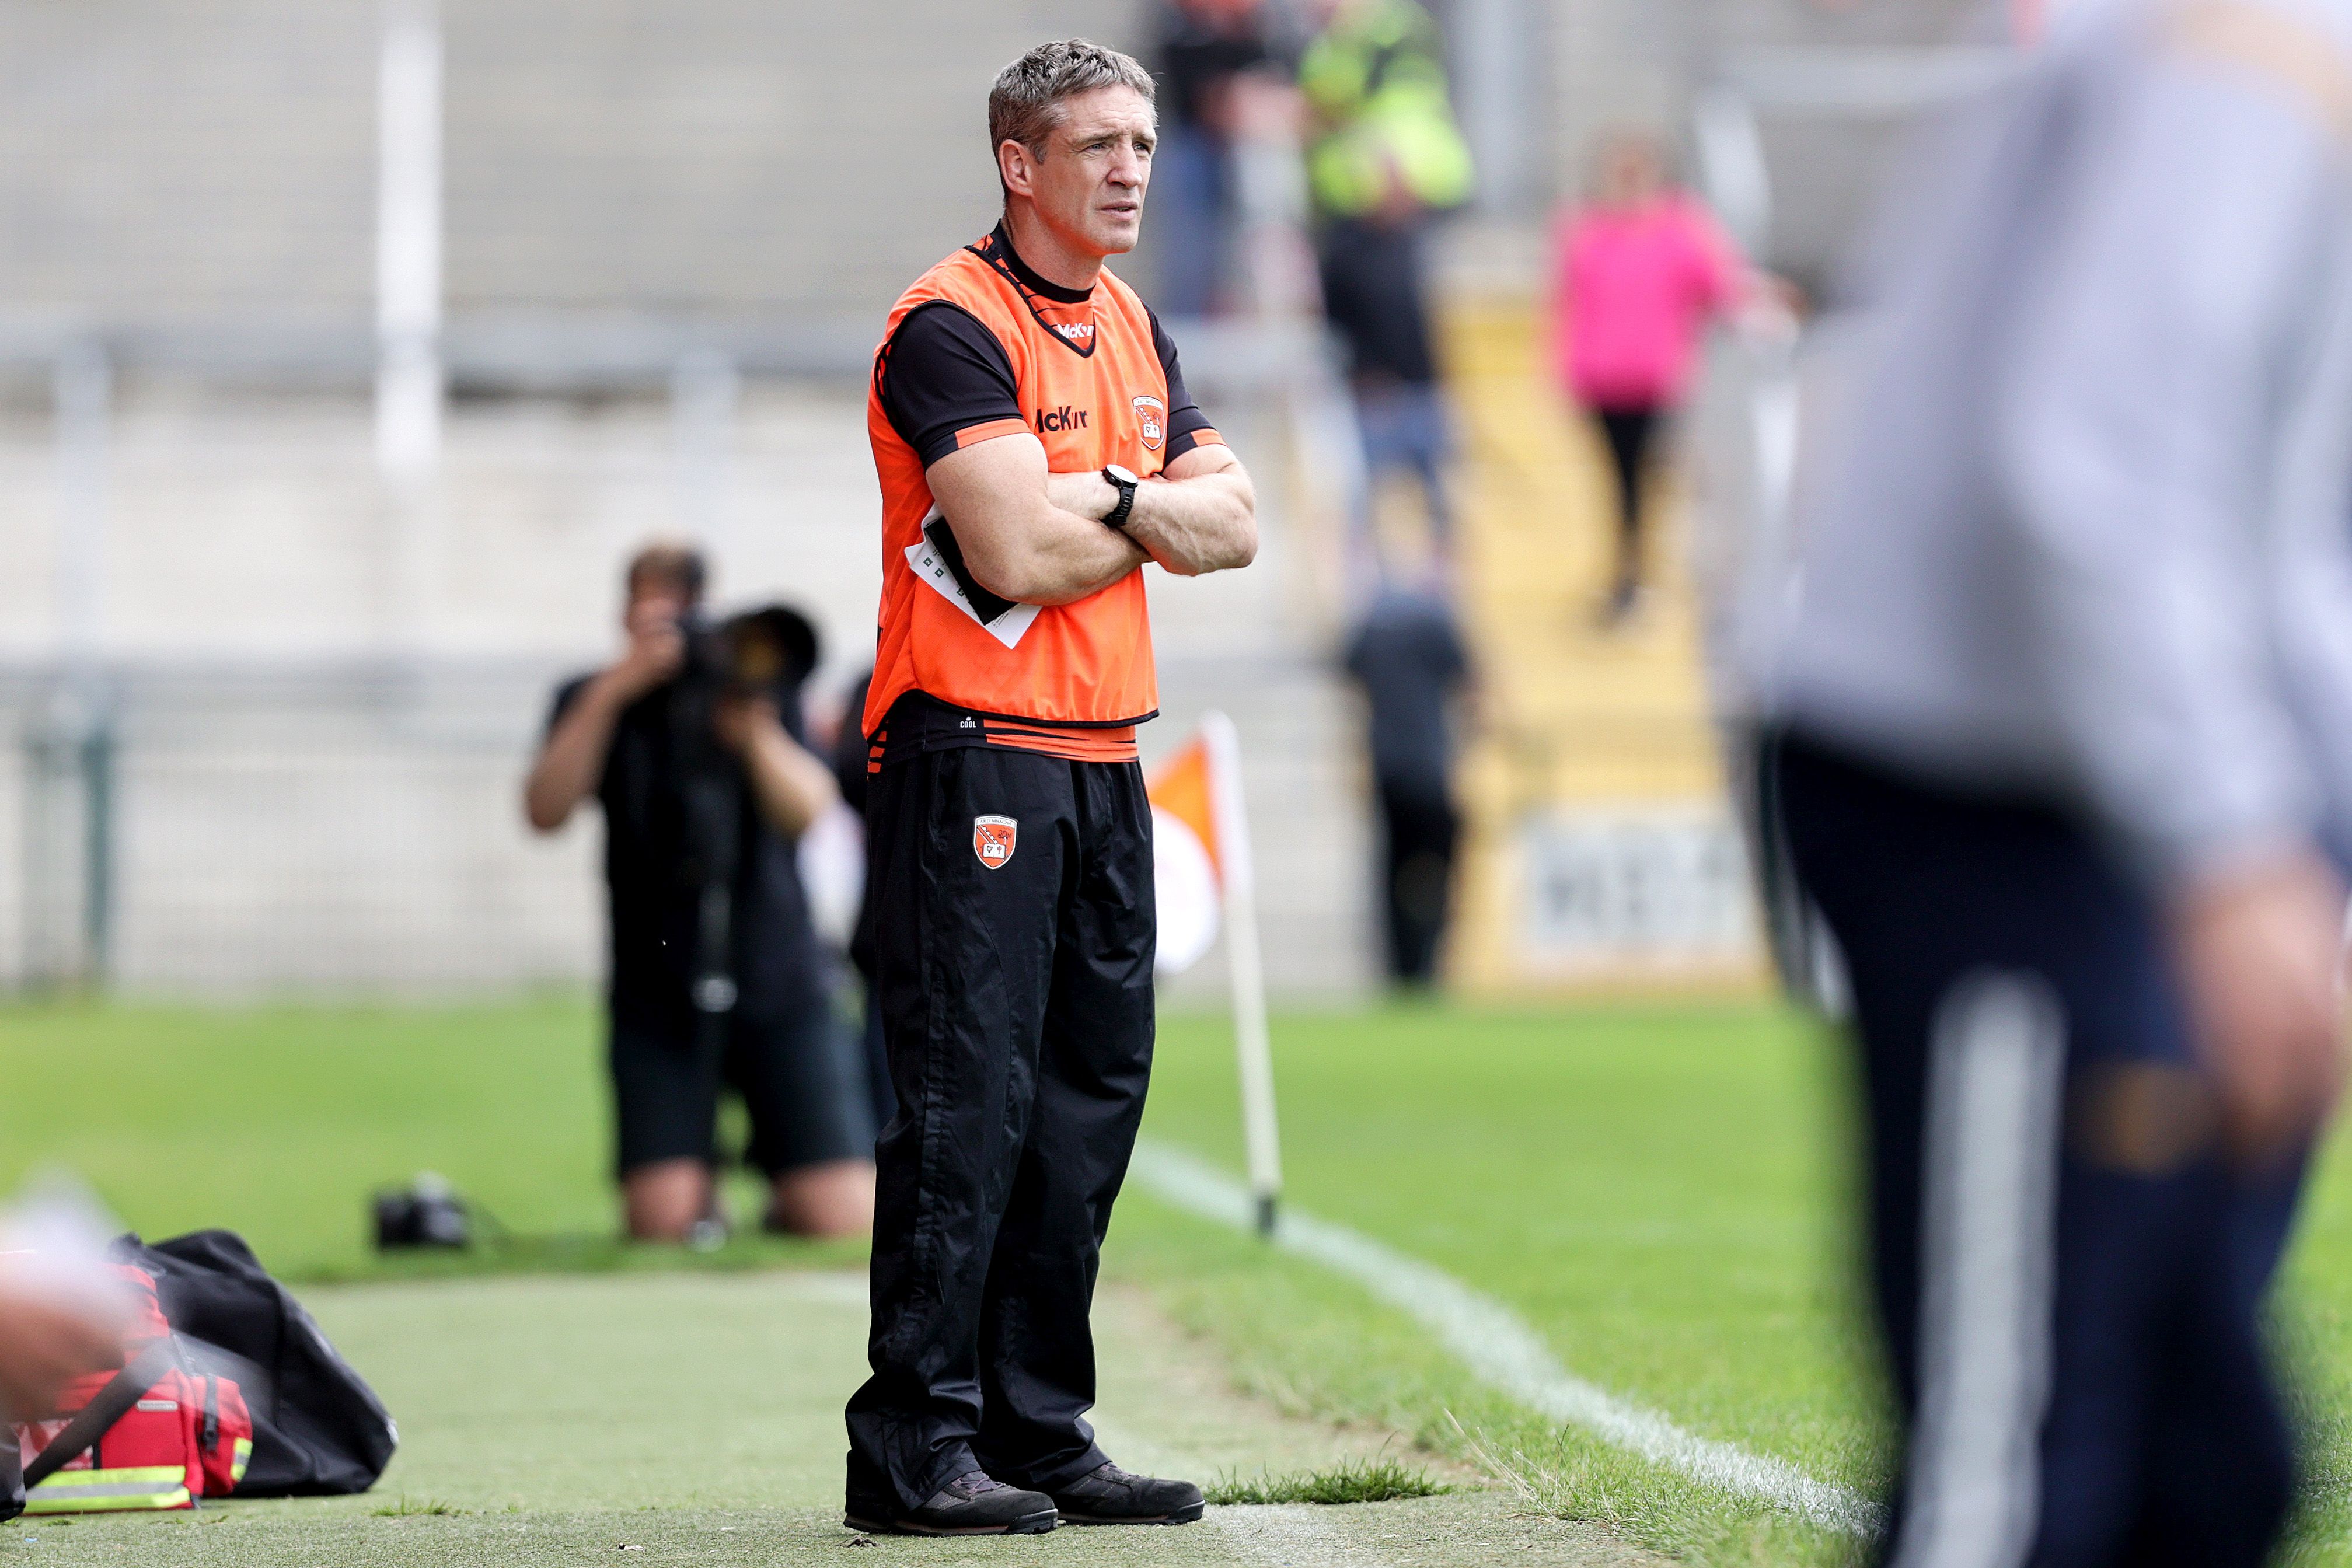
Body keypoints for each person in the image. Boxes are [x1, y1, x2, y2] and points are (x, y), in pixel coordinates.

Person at [1761, 3, 2352, 1562]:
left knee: (2207, 1468)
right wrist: (2231, 844)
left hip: (2153, 794)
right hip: (2008, 799)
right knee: (2012, 1473)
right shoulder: (2257, 44)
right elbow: (2090, 460)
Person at [842, 38, 1258, 1537]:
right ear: (1019, 164)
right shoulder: (944, 326)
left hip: (1101, 755)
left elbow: (1243, 521)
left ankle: (1039, 1423)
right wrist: (1153, 513)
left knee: (1087, 1107)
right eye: (1097, 145)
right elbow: (1008, 556)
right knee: (969, 1107)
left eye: (1141, 143)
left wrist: (1108, 502)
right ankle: (914, 1439)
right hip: (970, 751)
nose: (1132, 169)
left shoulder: (1135, 321)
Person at [524, 543, 875, 1245]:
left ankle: (780, 1192)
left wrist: (752, 730)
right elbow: (544, 808)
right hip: (659, 984)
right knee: (662, 1224)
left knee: (843, 1220)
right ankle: (701, 1191)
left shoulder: (753, 692)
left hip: (780, 977)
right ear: (624, 614)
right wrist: (614, 689)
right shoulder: (593, 697)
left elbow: (809, 811)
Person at [1298, 0, 1472, 581]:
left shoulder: (1382, 31)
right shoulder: (1348, 249)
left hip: (1419, 391)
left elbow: (1339, 99)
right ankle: (1382, 576)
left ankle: (1436, 570)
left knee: (1435, 499)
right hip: (1379, 389)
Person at [1552, 134, 1749, 626]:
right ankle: (1627, 572)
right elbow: (1571, 307)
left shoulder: (1679, 229)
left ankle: (1639, 577)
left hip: (1657, 380)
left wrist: (1758, 306)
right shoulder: (1588, 230)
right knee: (1617, 483)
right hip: (1601, 380)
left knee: (1647, 481)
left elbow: (1721, 287)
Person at [1343, 585, 1472, 986]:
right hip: (1431, 770)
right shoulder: (1438, 620)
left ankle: (1400, 969)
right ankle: (1428, 965)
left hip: (1389, 769)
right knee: (1437, 872)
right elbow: (1471, 692)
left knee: (1393, 874)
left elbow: (1354, 694)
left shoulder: (1372, 624)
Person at [1147, 0, 1289, 317]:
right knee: (1190, 243)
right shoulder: (1182, 31)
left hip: (1244, 145)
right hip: (1191, 143)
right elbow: (1193, 94)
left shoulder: (1257, 32)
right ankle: (1189, 317)